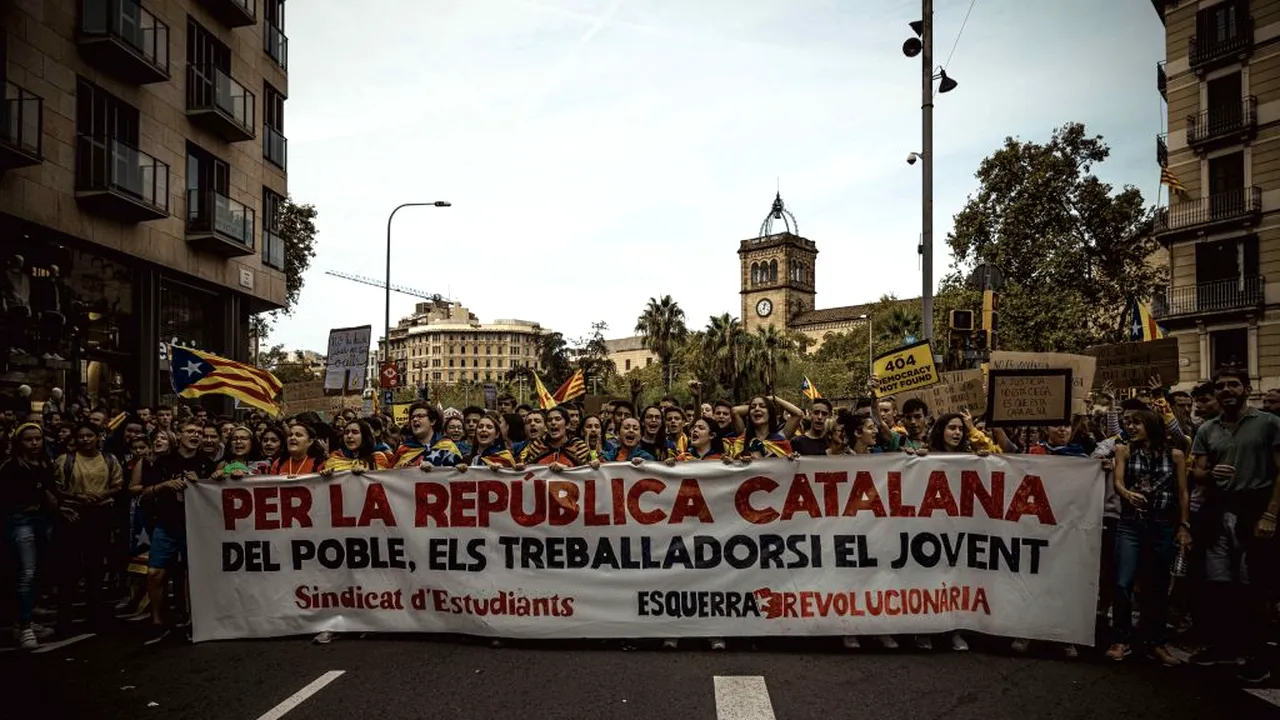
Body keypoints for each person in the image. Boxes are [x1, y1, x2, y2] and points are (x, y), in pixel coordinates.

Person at [1188, 365, 1280, 683]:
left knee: (1254, 585)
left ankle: (1258, 655)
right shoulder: (1207, 430)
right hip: (1217, 511)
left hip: (1254, 509)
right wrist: (1209, 474)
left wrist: (1271, 514)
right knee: (1218, 583)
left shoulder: (1269, 424)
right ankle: (1223, 647)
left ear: (1245, 388)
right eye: (1221, 386)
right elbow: (1196, 471)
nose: (1227, 391)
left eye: (1233, 385)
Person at [1107, 409, 1188, 666]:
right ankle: (1121, 639)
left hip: (1162, 525)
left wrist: (1184, 525)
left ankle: (1157, 642)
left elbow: (1183, 492)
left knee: (1157, 586)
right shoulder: (1124, 450)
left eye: (1136, 422)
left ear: (1151, 424)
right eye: (1128, 423)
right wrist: (1127, 493)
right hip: (1131, 524)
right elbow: (1118, 481)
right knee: (1122, 582)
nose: (1130, 427)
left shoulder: (1175, 455)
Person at [133, 419, 214, 645]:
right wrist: (165, 485)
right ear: (178, 434)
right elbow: (144, 494)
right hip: (166, 525)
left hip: (196, 528)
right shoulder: (162, 463)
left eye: (199, 432)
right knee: (155, 573)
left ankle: (191, 620)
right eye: (190, 431)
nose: (196, 435)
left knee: (193, 575)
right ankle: (157, 621)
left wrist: (203, 485)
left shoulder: (207, 464)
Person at [54, 421, 124, 636]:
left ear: (97, 437)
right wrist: (78, 497)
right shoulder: (65, 460)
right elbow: (56, 487)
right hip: (73, 516)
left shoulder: (109, 460)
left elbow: (118, 484)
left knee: (95, 566)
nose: (85, 440)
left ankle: (94, 614)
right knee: (70, 567)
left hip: (100, 515)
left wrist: (102, 495)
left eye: (89, 436)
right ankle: (64, 617)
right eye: (81, 436)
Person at [1, 423, 60, 649]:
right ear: (19, 443)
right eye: (29, 440)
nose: (34, 443)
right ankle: (25, 627)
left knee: (37, 572)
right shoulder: (11, 467)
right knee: (25, 572)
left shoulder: (44, 464)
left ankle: (24, 620)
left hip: (42, 520)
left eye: (38, 439)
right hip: (20, 520)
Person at [519, 407, 591, 469]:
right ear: (546, 427)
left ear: (567, 425)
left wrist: (567, 469)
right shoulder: (537, 445)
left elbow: (586, 472)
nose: (553, 423)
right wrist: (521, 467)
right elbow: (528, 470)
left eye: (557, 419)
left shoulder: (578, 446)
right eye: (549, 420)